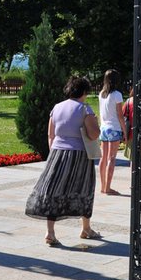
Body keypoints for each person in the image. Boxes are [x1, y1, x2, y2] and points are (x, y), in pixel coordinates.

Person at [25, 76, 101, 246]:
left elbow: (50, 134)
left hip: (57, 152)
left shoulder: (57, 107)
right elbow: (94, 134)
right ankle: (86, 228)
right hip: (79, 155)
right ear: (84, 91)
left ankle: (50, 232)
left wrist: (54, 152)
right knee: (85, 189)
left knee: (53, 190)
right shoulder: (85, 109)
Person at [97, 69, 127, 195]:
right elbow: (120, 115)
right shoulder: (117, 95)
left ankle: (103, 186)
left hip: (103, 128)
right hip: (114, 128)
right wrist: (125, 131)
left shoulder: (101, 94)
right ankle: (108, 188)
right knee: (112, 158)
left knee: (103, 158)